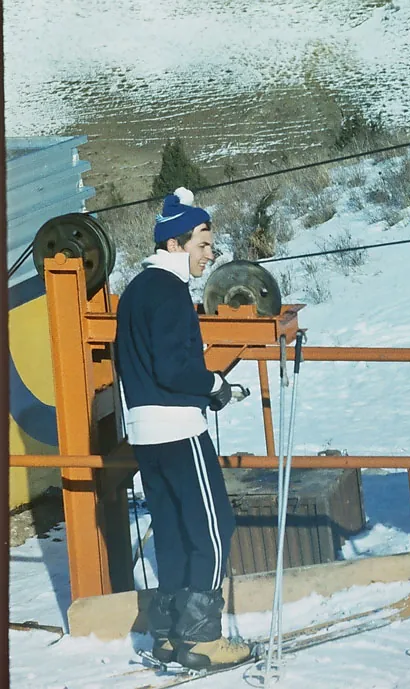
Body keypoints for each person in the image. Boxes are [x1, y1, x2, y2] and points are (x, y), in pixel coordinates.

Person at [115, 187, 250, 670]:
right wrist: (214, 383)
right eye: (202, 245)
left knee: (171, 531)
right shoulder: (170, 292)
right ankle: (203, 638)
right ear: (174, 244)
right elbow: (175, 369)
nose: (210, 254)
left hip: (146, 433)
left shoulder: (135, 290)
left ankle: (169, 636)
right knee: (213, 528)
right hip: (178, 427)